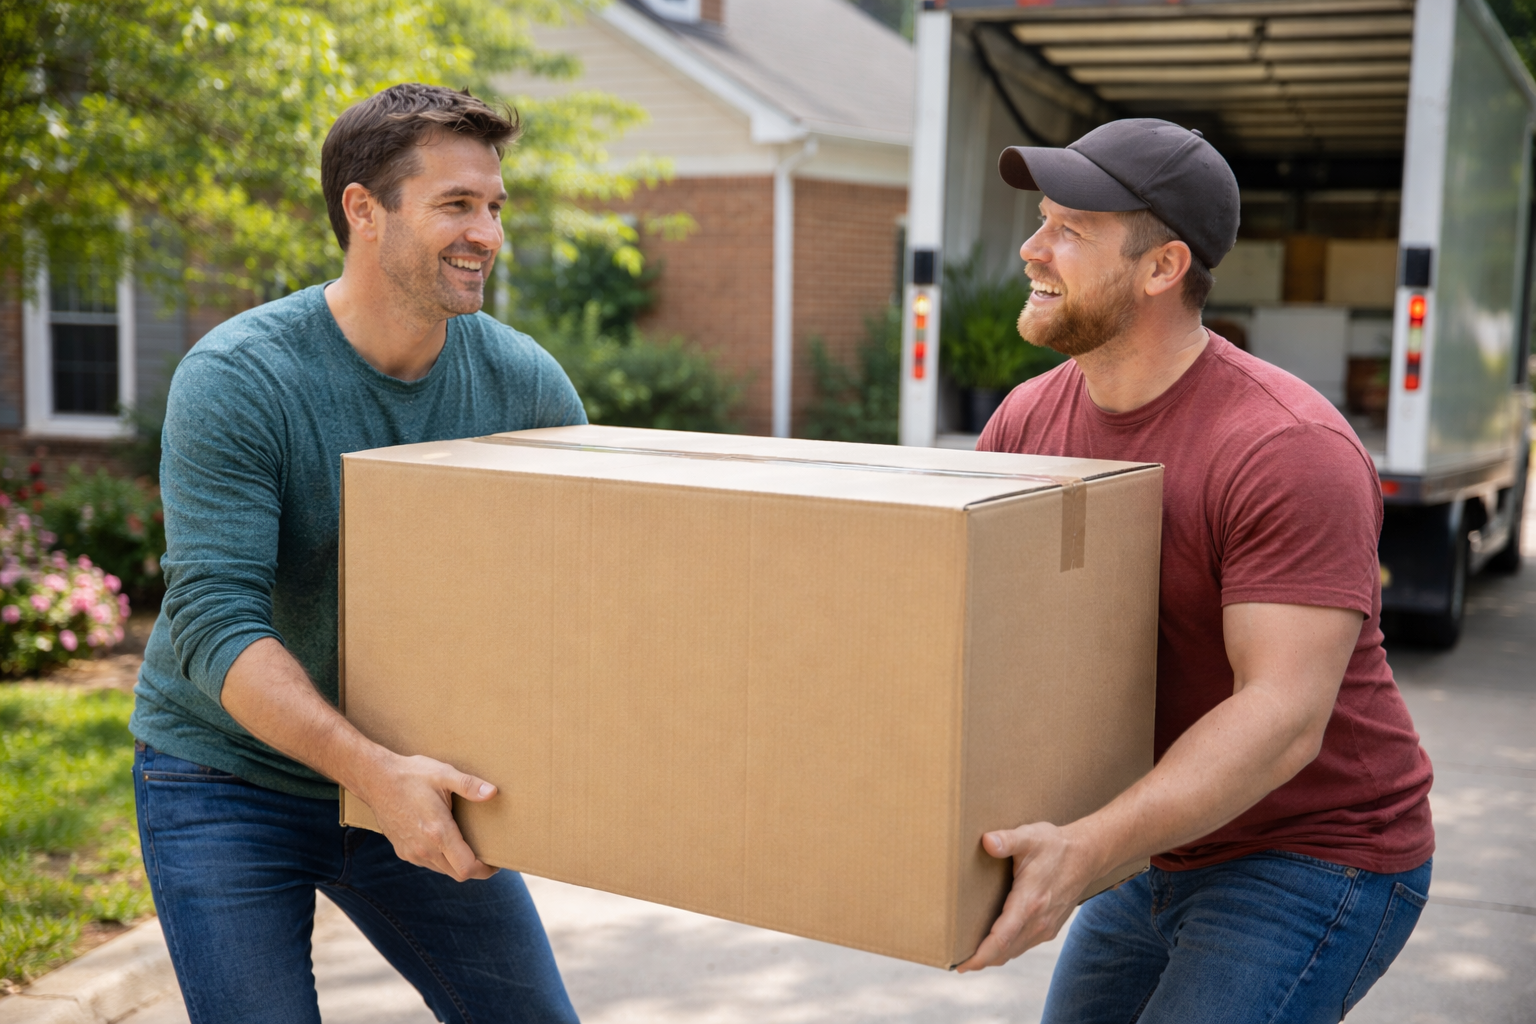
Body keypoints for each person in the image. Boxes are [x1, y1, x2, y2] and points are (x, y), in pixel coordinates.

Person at [958, 119, 1434, 1024]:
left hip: (1314, 851)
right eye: (1041, 219)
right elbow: (975, 632)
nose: (1031, 246)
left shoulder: (1285, 447)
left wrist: (1089, 849)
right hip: (1159, 842)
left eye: (1070, 228)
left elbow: (1282, 716)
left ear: (1162, 267)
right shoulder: (1024, 422)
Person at [129, 84, 585, 1023]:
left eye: (495, 207)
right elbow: (215, 623)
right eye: (457, 204)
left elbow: (576, 594)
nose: (488, 233)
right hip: (226, 780)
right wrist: (373, 773)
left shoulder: (523, 383)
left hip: (413, 776)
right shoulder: (241, 379)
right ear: (363, 211)